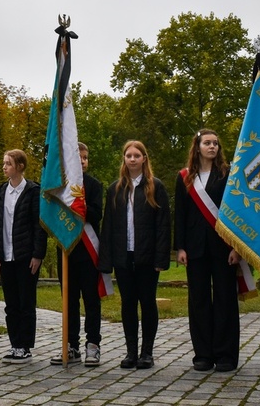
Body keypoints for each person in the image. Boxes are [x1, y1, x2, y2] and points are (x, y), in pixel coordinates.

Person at [99, 140, 170, 369]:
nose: (132, 159)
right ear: (124, 159)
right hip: (123, 257)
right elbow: (108, 226)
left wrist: (160, 258)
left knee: (147, 302)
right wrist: (106, 260)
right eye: (128, 155)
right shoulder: (115, 189)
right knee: (128, 303)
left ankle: (146, 352)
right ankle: (131, 352)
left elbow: (163, 225)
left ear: (144, 159)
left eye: (136, 156)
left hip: (147, 257)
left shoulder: (155, 186)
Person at [174, 129, 240, 372]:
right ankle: (203, 354)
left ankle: (225, 355)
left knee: (225, 300)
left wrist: (236, 246)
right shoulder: (184, 177)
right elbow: (180, 213)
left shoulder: (227, 174)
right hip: (195, 248)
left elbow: (236, 211)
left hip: (223, 246)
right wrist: (180, 246)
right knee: (198, 301)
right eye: (207, 143)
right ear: (198, 146)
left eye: (215, 143)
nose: (212, 147)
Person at [0, 149, 47, 363]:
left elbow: (39, 225)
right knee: (11, 303)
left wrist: (38, 254)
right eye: (4, 163)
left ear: (20, 166)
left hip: (25, 256)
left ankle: (25, 346)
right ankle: (15, 344)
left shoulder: (33, 191)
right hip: (5, 256)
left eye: (8, 163)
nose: (4, 167)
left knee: (26, 302)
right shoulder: (0, 191)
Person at [52, 142, 104, 366]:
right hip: (67, 251)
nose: (82, 161)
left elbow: (97, 214)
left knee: (91, 300)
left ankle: (93, 344)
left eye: (85, 157)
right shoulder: (60, 187)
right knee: (69, 301)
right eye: (78, 157)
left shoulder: (94, 185)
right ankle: (71, 345)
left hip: (88, 252)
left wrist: (78, 206)